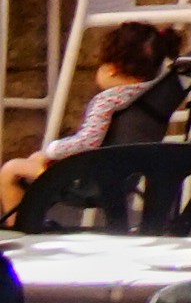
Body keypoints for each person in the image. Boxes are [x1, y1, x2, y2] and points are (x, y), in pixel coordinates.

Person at [0, 21, 178, 212]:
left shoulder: (108, 100)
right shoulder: (150, 94)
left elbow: (87, 141)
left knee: (11, 170)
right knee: (35, 160)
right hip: (125, 177)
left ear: (113, 68)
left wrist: (53, 149)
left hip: (89, 182)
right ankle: (33, 222)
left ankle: (21, 230)